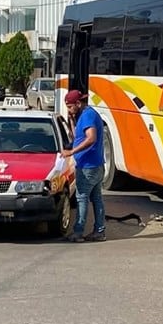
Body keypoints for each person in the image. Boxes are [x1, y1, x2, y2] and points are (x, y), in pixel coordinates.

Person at [61, 90, 106, 242]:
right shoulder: (85, 115)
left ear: (78, 103)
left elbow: (91, 138)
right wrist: (72, 121)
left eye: (69, 106)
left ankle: (78, 232)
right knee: (97, 198)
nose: (68, 109)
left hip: (88, 166)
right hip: (96, 164)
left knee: (82, 198)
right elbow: (78, 138)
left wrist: (72, 151)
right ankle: (99, 231)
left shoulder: (87, 115)